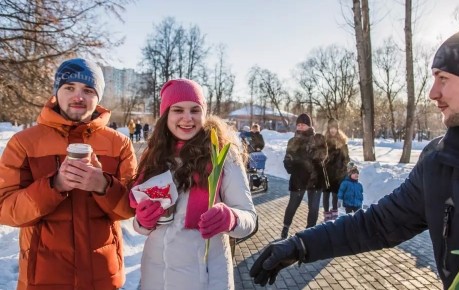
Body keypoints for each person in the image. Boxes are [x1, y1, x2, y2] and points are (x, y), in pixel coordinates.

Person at [249, 22, 459, 289]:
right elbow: (379, 223)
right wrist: (301, 245)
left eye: (444, 78)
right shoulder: (438, 160)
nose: (432, 93)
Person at [0, 58, 137, 290]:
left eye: (88, 90)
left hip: (103, 278)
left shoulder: (119, 144)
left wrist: (103, 185)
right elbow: (5, 210)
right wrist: (55, 185)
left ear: (98, 96)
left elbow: (130, 209)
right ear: (57, 92)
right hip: (42, 278)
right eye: (69, 87)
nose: (78, 96)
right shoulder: (24, 143)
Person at [129, 78, 257, 290]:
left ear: (204, 114)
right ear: (166, 115)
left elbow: (249, 218)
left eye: (195, 110)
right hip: (154, 277)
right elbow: (143, 224)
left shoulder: (223, 155)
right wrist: (142, 221)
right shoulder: (156, 155)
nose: (187, 118)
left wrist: (231, 218)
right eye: (178, 110)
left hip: (205, 278)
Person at [281, 113, 327, 239]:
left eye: (303, 124)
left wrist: (309, 154)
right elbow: (288, 158)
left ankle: (309, 232)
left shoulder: (318, 138)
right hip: (298, 178)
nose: (300, 127)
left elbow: (322, 155)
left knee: (313, 208)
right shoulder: (292, 141)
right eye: (298, 124)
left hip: (315, 178)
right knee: (293, 204)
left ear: (309, 125)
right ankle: (286, 227)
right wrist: (288, 163)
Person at [322, 118, 350, 221]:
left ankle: (334, 214)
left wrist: (345, 169)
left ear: (337, 129)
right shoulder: (324, 142)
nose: (332, 130)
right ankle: (326, 215)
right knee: (325, 195)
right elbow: (320, 156)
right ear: (328, 128)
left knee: (335, 196)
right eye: (331, 128)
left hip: (338, 174)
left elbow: (346, 158)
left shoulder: (342, 142)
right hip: (326, 173)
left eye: (334, 128)